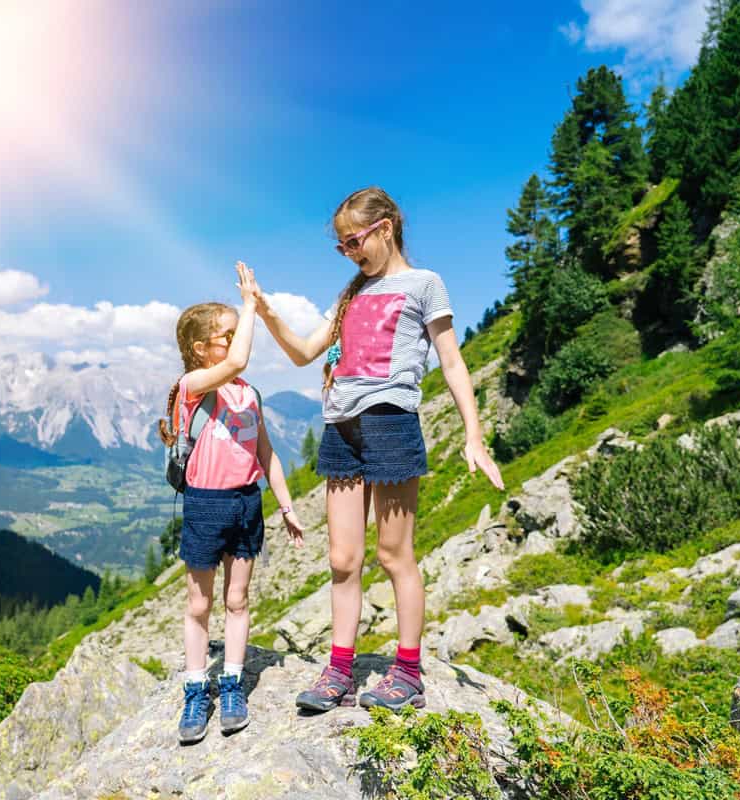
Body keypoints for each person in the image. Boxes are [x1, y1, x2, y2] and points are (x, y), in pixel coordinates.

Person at [250, 188, 505, 711]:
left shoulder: (425, 285)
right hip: (341, 427)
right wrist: (266, 311)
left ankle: (408, 672)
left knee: (394, 554)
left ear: (385, 228)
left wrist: (473, 434)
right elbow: (303, 353)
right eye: (342, 247)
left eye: (354, 242)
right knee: (343, 559)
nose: (350, 253)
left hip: (392, 424)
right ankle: (339, 670)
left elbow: (452, 363)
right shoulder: (349, 293)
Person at [157, 262, 306, 743]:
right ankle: (196, 689)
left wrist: (285, 506)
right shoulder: (191, 387)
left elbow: (266, 455)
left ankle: (232, 683)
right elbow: (237, 362)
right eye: (228, 334)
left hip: (246, 503)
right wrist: (249, 305)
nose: (239, 339)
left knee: (236, 600)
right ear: (201, 349)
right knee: (199, 602)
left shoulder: (248, 395)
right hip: (204, 504)